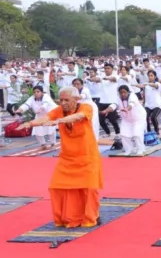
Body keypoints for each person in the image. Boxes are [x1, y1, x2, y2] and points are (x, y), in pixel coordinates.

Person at [16, 87, 103, 228]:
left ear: (76, 99)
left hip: (87, 157)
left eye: (66, 100)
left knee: (88, 189)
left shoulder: (86, 107)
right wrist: (30, 123)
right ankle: (68, 217)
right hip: (67, 158)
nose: (63, 103)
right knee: (57, 187)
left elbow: (78, 117)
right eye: (61, 100)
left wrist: (60, 121)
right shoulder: (59, 111)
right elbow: (46, 117)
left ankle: (90, 217)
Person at [116, 84, 147, 155]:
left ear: (128, 92)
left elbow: (131, 104)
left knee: (137, 134)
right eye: (121, 93)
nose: (123, 94)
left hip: (138, 118)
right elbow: (114, 105)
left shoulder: (132, 96)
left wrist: (127, 109)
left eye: (124, 92)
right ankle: (129, 149)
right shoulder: (117, 98)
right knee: (124, 134)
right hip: (126, 120)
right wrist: (106, 111)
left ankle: (140, 149)